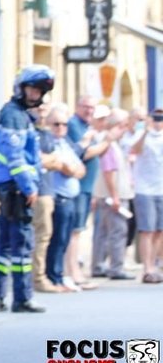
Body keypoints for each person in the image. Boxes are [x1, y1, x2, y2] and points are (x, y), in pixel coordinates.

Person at [0, 65, 55, 313]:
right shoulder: (14, 116)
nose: (36, 95)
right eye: (33, 89)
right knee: (22, 246)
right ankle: (22, 297)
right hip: (17, 188)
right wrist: (29, 188)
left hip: (10, 187)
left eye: (39, 91)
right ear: (21, 88)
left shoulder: (16, 114)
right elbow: (16, 158)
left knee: (5, 246)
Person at [66, 96, 111, 288]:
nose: (89, 111)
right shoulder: (74, 125)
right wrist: (105, 144)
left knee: (78, 230)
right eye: (85, 107)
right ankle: (73, 273)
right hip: (78, 185)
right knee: (74, 230)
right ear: (77, 106)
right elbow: (83, 153)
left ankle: (74, 271)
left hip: (86, 187)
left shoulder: (86, 127)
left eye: (92, 108)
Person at [44, 104, 86, 294]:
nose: (60, 128)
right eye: (56, 124)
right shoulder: (47, 142)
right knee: (57, 239)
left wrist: (72, 169)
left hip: (70, 197)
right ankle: (53, 276)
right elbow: (63, 167)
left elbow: (79, 168)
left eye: (64, 124)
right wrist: (69, 168)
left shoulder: (65, 143)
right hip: (58, 197)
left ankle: (59, 275)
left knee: (64, 239)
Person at [91, 109, 134, 280]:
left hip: (106, 195)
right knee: (118, 232)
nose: (125, 130)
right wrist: (115, 195)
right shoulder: (108, 144)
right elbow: (109, 171)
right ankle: (116, 267)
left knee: (102, 232)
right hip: (113, 196)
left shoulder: (107, 143)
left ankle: (98, 265)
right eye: (123, 126)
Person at [29, 102, 62, 294]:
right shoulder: (30, 131)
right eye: (38, 109)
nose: (42, 113)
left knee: (44, 236)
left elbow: (56, 160)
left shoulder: (47, 133)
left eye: (44, 109)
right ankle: (37, 278)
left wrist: (49, 160)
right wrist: (49, 160)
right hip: (37, 190)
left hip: (48, 189)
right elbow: (35, 159)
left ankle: (38, 276)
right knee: (40, 236)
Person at [130, 108, 163, 283]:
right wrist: (145, 130)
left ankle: (155, 265)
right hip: (144, 189)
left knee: (159, 230)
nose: (158, 121)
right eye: (155, 118)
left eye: (161, 118)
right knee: (147, 230)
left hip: (161, 189)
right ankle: (147, 268)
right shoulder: (141, 134)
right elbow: (135, 150)